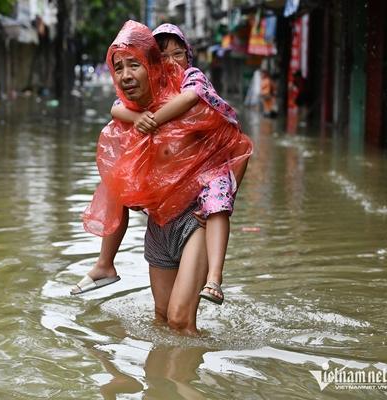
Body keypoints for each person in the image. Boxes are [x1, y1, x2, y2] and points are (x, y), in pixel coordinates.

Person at [72, 21, 252, 334]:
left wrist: (223, 200)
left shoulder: (192, 100)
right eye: (122, 68)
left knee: (181, 320)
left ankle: (190, 383)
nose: (169, 62)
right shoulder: (136, 107)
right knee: (162, 320)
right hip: (158, 225)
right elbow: (118, 112)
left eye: (177, 54)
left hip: (194, 220)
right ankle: (162, 382)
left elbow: (236, 145)